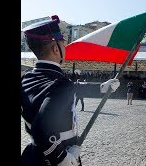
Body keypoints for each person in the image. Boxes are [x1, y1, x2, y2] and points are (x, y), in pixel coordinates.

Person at [21, 15, 120, 166]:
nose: (65, 47)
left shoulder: (27, 78)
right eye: (63, 43)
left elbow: (71, 87)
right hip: (56, 156)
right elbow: (40, 131)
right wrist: (63, 158)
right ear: (55, 49)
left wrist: (101, 87)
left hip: (32, 157)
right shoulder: (59, 83)